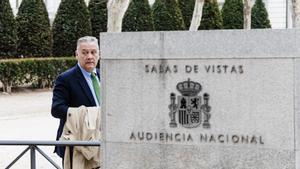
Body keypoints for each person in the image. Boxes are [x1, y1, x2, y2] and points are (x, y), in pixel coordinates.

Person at [51, 36, 101, 159]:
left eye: (93, 52)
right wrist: (87, 114)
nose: (89, 56)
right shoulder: (65, 79)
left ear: (99, 54)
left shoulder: (106, 74)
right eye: (84, 53)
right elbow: (56, 109)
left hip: (101, 142)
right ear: (76, 54)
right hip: (76, 144)